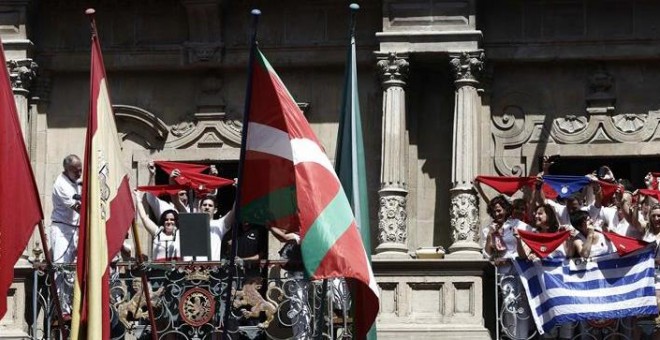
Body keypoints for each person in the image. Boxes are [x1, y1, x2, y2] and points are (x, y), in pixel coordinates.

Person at [481, 195, 533, 339]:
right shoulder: (488, 229)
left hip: (520, 268)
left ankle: (523, 336)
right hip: (503, 273)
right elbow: (486, 254)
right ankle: (512, 336)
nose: (497, 214)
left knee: (522, 303)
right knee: (509, 304)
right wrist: (491, 235)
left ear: (506, 210)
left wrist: (510, 258)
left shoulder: (518, 224)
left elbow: (531, 240)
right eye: (494, 211)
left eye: (499, 210)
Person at [49, 154, 82, 316]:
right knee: (61, 268)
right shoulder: (61, 185)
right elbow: (79, 207)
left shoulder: (76, 181)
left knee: (73, 270)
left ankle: (72, 306)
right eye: (76, 171)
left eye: (81, 169)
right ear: (67, 170)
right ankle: (61, 309)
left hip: (76, 229)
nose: (80, 173)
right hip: (62, 230)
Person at [135, 191, 181, 261]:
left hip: (177, 270)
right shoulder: (158, 232)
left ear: (176, 221)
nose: (169, 222)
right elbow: (144, 218)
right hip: (158, 270)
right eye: (166, 219)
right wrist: (138, 199)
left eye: (172, 219)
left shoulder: (180, 234)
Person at [198, 195, 234, 261]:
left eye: (210, 205)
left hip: (212, 267)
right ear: (200, 208)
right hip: (194, 267)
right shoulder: (193, 223)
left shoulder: (220, 224)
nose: (207, 207)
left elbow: (234, 210)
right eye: (204, 205)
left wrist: (240, 189)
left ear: (215, 210)